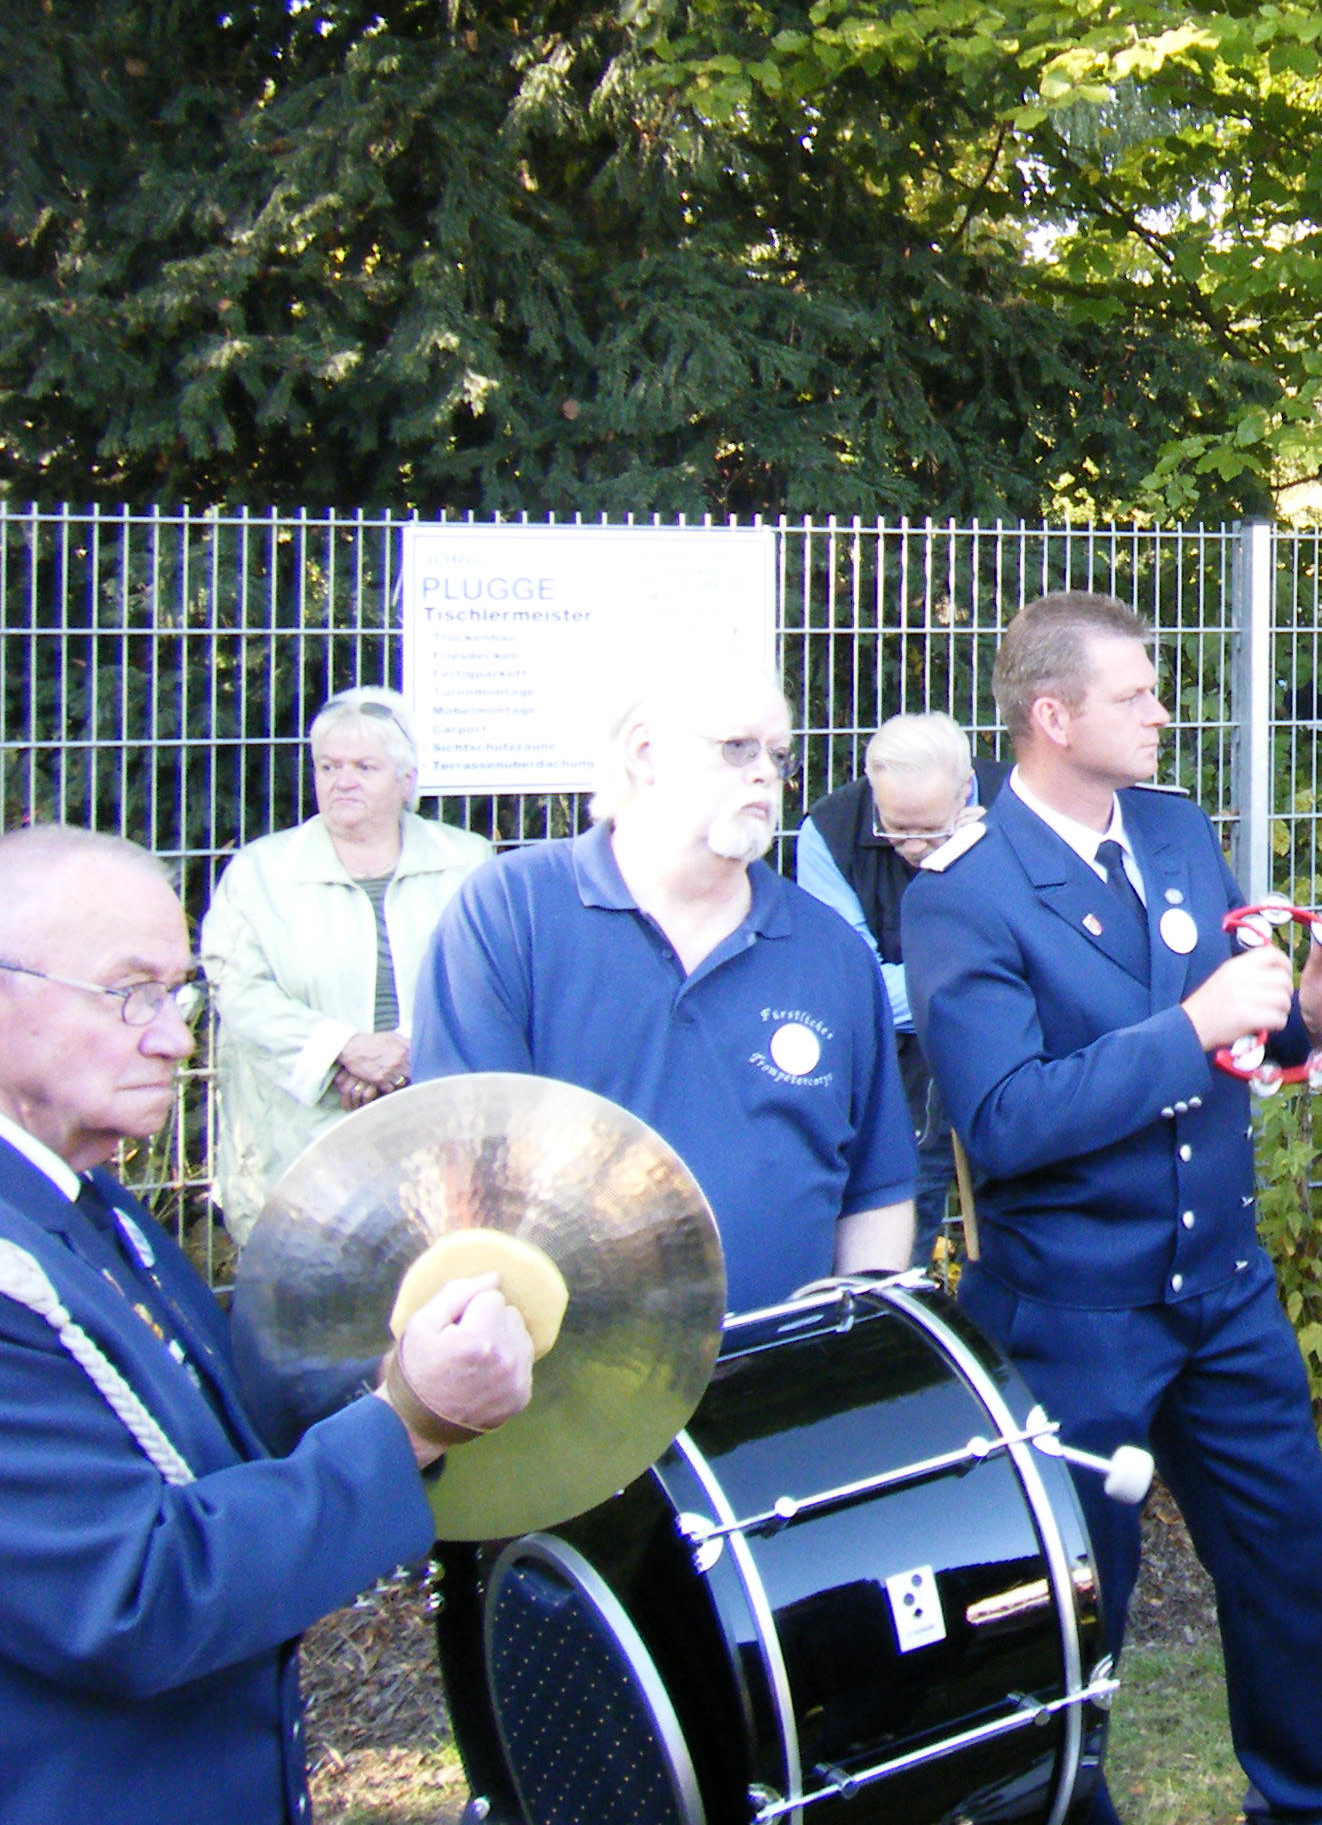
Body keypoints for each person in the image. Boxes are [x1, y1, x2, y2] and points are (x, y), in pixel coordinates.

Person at [903, 590, 1322, 1825]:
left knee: (1289, 1548)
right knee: (1075, 1601)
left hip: (1222, 1291)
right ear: (1053, 716)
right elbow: (1004, 1118)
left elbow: (1240, 1025)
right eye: (1135, 695)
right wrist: (1191, 1027)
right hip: (1075, 1317)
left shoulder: (1171, 831)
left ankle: (1302, 1801)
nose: (1163, 712)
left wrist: (1312, 1016)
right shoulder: (965, 890)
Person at [0, 825, 533, 1825]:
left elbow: (216, 1434)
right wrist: (408, 1422)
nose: (175, 1038)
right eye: (130, 993)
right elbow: (134, 1600)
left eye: (179, 994)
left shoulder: (83, 1204)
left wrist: (396, 1349)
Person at [415, 664, 917, 1311]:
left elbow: (877, 1189)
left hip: (785, 1364)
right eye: (737, 747)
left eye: (778, 754)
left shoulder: (831, 952)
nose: (764, 773)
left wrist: (853, 1338)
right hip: (566, 1359)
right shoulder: (514, 912)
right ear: (645, 753)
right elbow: (464, 1172)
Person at [200, 687, 494, 1238]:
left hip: (430, 1121)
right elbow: (237, 986)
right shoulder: (260, 871)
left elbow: (484, 980)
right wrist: (341, 1051)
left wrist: (405, 1053)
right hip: (300, 1137)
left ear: (406, 780)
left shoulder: (467, 861)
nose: (343, 781)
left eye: (365, 767)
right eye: (328, 766)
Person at [792, 712, 1007, 1260]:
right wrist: (981, 986)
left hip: (1020, 1052)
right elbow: (853, 988)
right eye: (895, 829)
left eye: (929, 829)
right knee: (903, 1219)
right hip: (901, 1066)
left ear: (966, 790)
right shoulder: (828, 832)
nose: (911, 846)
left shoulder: (1021, 809)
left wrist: (984, 860)